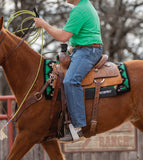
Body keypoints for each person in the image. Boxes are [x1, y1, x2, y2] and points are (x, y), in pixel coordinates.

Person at [34, 0, 103, 142]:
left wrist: (44, 24)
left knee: (71, 81)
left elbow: (63, 37)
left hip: (88, 51)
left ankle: (78, 128)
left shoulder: (80, 10)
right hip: (83, 49)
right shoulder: (84, 6)